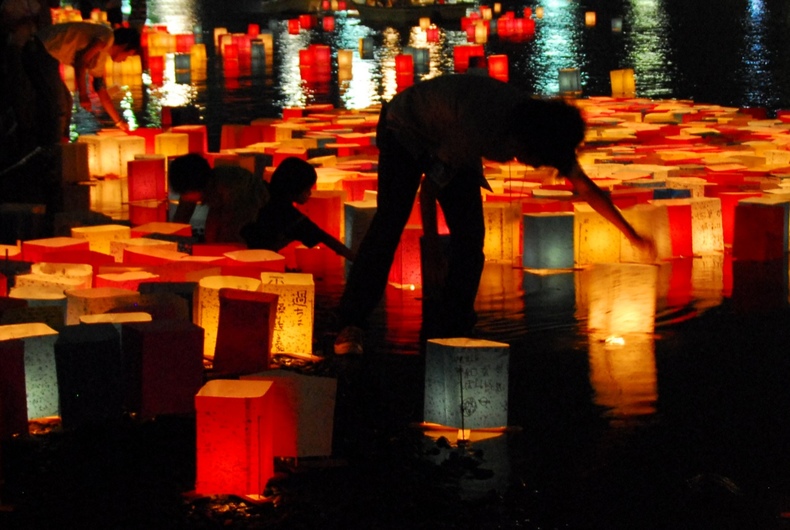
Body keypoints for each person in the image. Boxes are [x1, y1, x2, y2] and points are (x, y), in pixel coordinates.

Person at [333, 74, 656, 355]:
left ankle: (455, 323)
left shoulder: (545, 131)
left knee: (471, 236)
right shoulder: (482, 126)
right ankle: (351, 322)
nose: (535, 166)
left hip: (450, 129)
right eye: (537, 160)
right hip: (406, 126)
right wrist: (431, 251)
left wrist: (631, 234)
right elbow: (428, 190)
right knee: (390, 222)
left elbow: (586, 188)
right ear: (527, 144)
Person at [23, 21, 141, 144]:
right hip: (39, 50)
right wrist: (83, 95)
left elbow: (101, 90)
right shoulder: (106, 37)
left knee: (66, 102)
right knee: (58, 105)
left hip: (46, 55)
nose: (124, 60)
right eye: (128, 55)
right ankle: (52, 147)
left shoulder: (101, 58)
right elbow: (82, 61)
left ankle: (62, 143)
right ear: (124, 45)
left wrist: (119, 122)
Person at [241, 157, 355, 261]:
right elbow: (323, 237)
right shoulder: (289, 217)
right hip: (258, 261)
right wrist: (353, 256)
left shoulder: (258, 192)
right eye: (307, 189)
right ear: (295, 188)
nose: (310, 193)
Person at [168, 153, 269, 244]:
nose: (183, 197)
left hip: (259, 224)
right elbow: (180, 220)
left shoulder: (231, 190)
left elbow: (228, 237)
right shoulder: (199, 184)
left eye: (184, 193)